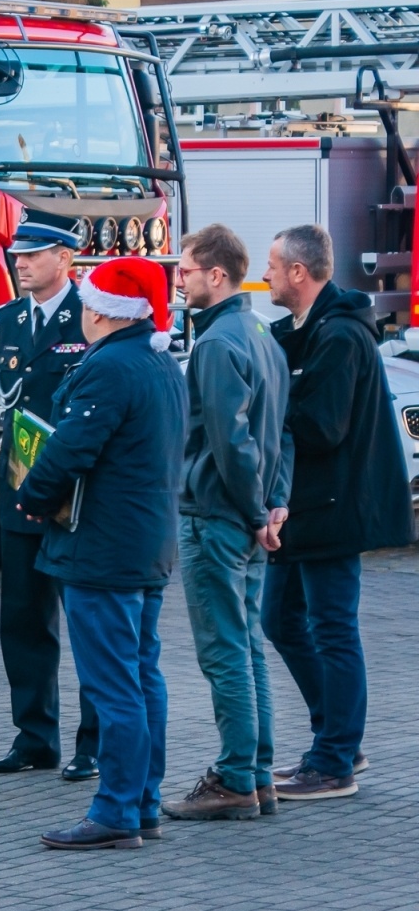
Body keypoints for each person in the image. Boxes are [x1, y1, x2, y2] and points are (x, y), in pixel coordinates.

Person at [16, 256, 186, 850]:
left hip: (102, 546)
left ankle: (116, 810)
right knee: (142, 676)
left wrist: (32, 495)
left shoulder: (110, 367)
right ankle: (143, 803)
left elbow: (71, 450)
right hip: (146, 543)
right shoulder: (161, 364)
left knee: (114, 684)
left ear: (99, 311)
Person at [259, 225, 412, 800]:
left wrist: (263, 408)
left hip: (331, 507)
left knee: (332, 630)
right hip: (302, 508)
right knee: (280, 621)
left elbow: (322, 425)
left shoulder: (341, 336)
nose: (267, 273)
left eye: (274, 265)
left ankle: (335, 761)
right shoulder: (307, 330)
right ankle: (339, 740)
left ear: (300, 272)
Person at [162, 224, 291, 823]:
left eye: (185, 270)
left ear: (216, 275)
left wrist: (249, 511)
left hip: (215, 516)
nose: (179, 279)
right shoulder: (263, 333)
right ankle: (257, 775)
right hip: (248, 517)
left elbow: (229, 441)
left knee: (224, 652)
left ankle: (236, 776)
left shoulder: (217, 344)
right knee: (248, 648)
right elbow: (280, 434)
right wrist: (272, 507)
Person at [0, 211, 100, 782]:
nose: (20, 262)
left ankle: (93, 743)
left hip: (78, 491)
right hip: (23, 485)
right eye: (18, 254)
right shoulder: (5, 320)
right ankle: (34, 735)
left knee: (86, 621)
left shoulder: (94, 316)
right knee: (24, 618)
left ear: (66, 258)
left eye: (34, 254)